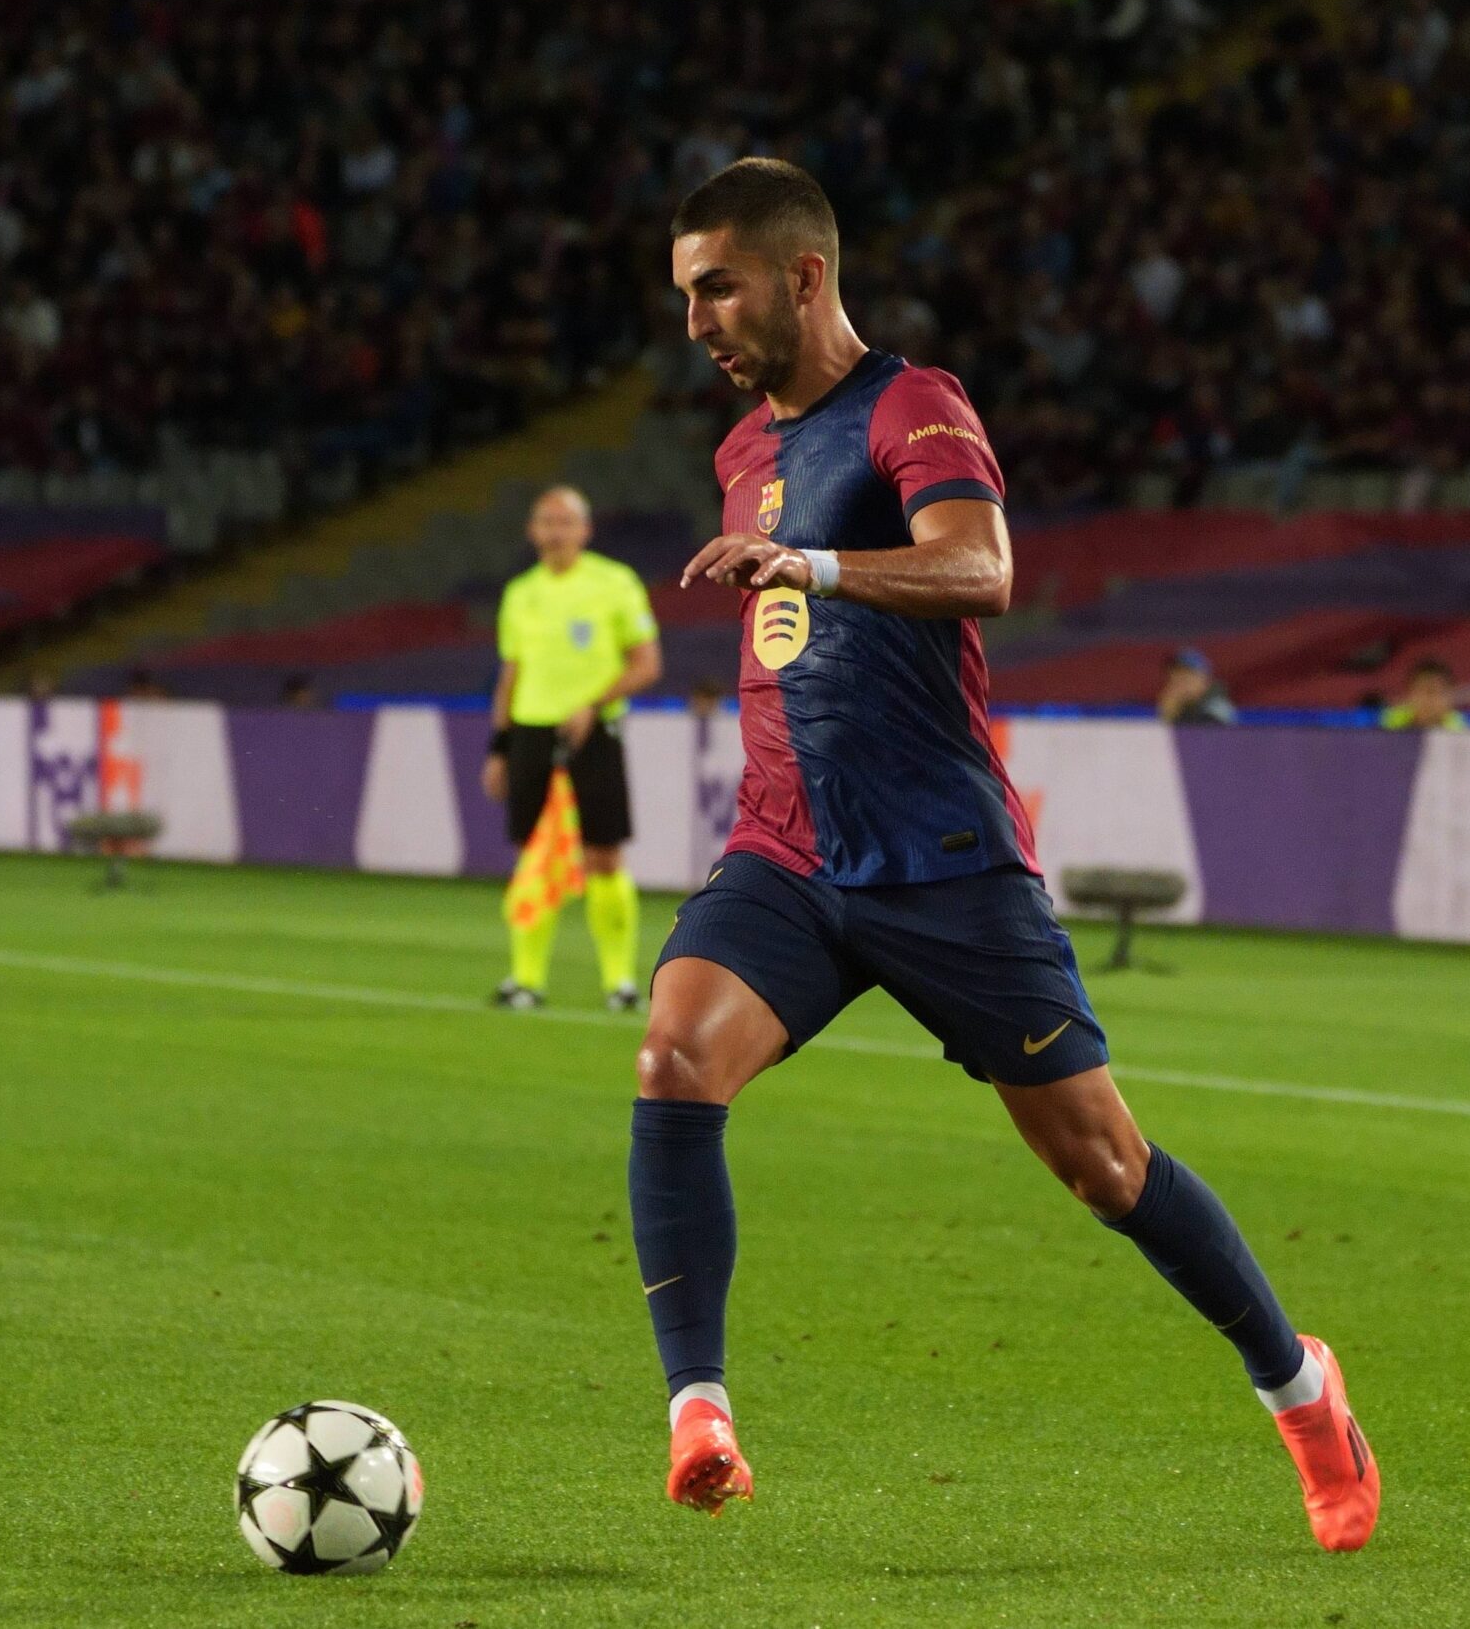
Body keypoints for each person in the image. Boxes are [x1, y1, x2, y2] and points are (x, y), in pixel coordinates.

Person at [634, 158, 1377, 1549]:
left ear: (804, 274)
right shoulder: (745, 452)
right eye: (685, 294)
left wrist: (816, 569)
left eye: (716, 286)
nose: (697, 322)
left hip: (941, 860)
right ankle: (701, 1409)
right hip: (789, 852)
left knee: (1102, 1161)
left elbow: (983, 572)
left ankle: (1299, 1381)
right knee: (673, 1053)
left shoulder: (917, 404)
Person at [481, 486, 664, 1011]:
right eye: (546, 520)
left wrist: (592, 702)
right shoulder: (520, 592)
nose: (556, 529)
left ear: (586, 530)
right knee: (531, 855)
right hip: (530, 732)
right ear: (532, 530)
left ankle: (621, 983)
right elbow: (509, 676)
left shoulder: (614, 583)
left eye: (566, 521)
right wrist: (498, 747)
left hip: (596, 729)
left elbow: (646, 666)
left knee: (602, 856)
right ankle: (525, 980)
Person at [1380, 656, 1468, 730]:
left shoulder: (1460, 731)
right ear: (1410, 695)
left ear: (1449, 697)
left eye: (1436, 692)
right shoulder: (1389, 723)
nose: (1429, 700)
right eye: (1422, 691)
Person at [1156, 646, 1237, 724]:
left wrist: (1171, 716)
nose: (1179, 686)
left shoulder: (1218, 707)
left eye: (1185, 679)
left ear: (1204, 680)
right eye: (1173, 680)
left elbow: (1206, 734)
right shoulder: (1183, 707)